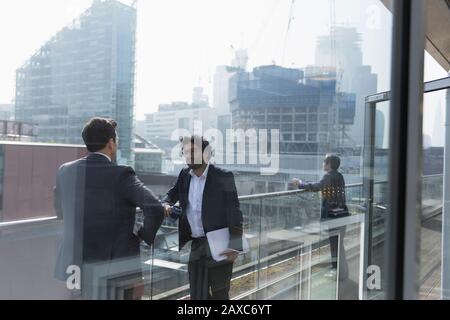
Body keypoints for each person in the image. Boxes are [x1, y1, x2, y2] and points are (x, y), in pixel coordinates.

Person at [54, 117, 165, 300]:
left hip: (75, 265)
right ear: (111, 143)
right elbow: (155, 208)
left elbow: (60, 210)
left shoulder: (65, 170)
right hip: (114, 269)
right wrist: (143, 235)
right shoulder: (121, 174)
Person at [163, 135, 243, 300]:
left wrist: (235, 245)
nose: (188, 155)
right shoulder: (184, 175)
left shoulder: (223, 176)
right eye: (185, 152)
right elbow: (171, 194)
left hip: (220, 244)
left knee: (220, 294)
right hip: (197, 245)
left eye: (193, 151)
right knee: (197, 295)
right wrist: (165, 204)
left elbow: (234, 211)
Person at [291, 154, 349, 280]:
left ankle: (337, 273)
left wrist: (300, 183)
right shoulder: (339, 176)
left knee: (335, 246)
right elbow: (321, 186)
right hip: (342, 214)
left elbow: (316, 187)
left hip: (334, 217)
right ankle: (342, 273)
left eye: (324, 162)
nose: (323, 164)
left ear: (329, 164)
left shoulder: (328, 176)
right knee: (338, 245)